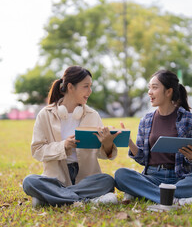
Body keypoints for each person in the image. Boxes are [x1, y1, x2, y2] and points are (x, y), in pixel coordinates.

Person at [23, 66, 120, 207]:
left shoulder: (93, 115)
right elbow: (37, 150)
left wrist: (107, 144)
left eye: (90, 86)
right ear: (70, 87)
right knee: (29, 181)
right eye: (86, 86)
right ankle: (85, 201)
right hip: (56, 178)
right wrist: (63, 146)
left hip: (87, 178)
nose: (90, 91)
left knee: (107, 180)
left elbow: (102, 154)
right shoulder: (45, 114)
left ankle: (54, 197)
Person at [115, 69, 192, 206]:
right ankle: (173, 199)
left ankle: (145, 193)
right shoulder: (146, 120)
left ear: (169, 92)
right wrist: (130, 142)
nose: (150, 92)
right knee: (121, 175)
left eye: (154, 88)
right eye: (149, 88)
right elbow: (143, 159)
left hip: (180, 178)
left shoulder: (188, 119)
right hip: (152, 177)